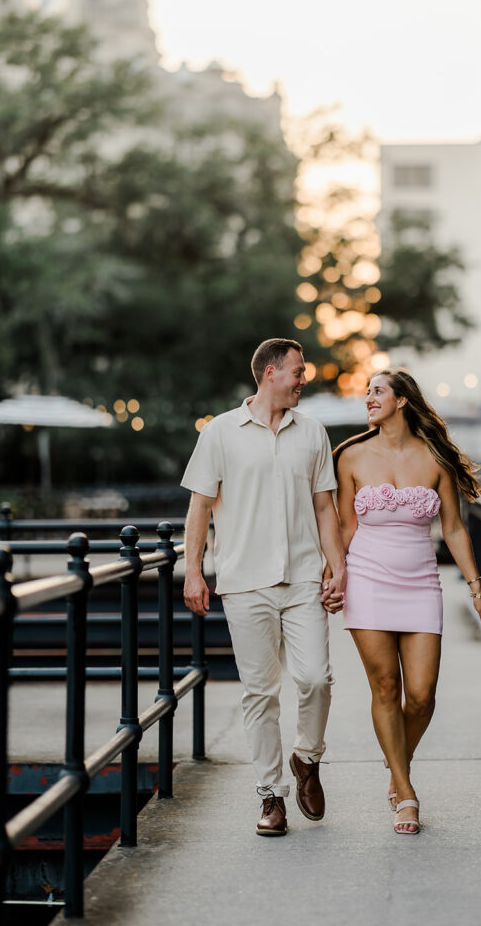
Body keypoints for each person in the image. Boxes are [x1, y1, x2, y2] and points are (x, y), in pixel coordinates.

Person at [181, 338, 346, 837]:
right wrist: (193, 571)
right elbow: (200, 508)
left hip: (302, 578)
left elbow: (325, 508)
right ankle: (271, 795)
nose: (304, 379)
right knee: (259, 693)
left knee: (316, 678)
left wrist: (337, 568)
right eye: (298, 371)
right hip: (243, 580)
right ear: (270, 373)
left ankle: (307, 758)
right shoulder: (220, 433)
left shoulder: (312, 432)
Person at [323, 368, 481, 835]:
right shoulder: (351, 456)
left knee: (421, 695)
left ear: (402, 400)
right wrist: (334, 575)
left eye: (377, 391)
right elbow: (344, 527)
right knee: (386, 688)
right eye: (367, 393)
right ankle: (404, 791)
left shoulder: (435, 457)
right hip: (367, 580)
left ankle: (396, 759)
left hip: (420, 582)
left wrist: (476, 588)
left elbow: (454, 529)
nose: (369, 399)